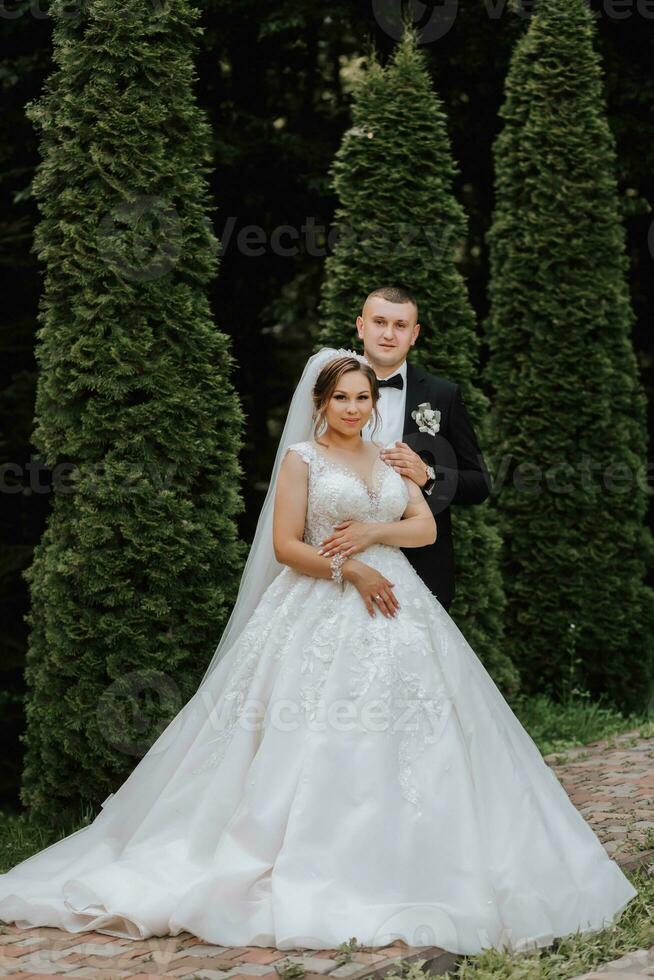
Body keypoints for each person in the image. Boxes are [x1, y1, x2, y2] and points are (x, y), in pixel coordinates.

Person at [0, 347, 637, 956]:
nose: (356, 408)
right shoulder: (302, 460)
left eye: (363, 397)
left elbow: (426, 526)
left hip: (402, 606)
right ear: (322, 402)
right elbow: (285, 545)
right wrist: (350, 570)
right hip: (322, 605)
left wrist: (372, 534)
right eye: (343, 398)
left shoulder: (391, 456)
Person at [356, 286, 492, 610]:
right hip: (346, 560)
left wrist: (428, 476)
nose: (389, 334)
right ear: (361, 326)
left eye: (400, 325)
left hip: (422, 570)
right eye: (379, 322)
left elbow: (480, 483)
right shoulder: (330, 391)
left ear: (414, 334)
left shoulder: (442, 395)